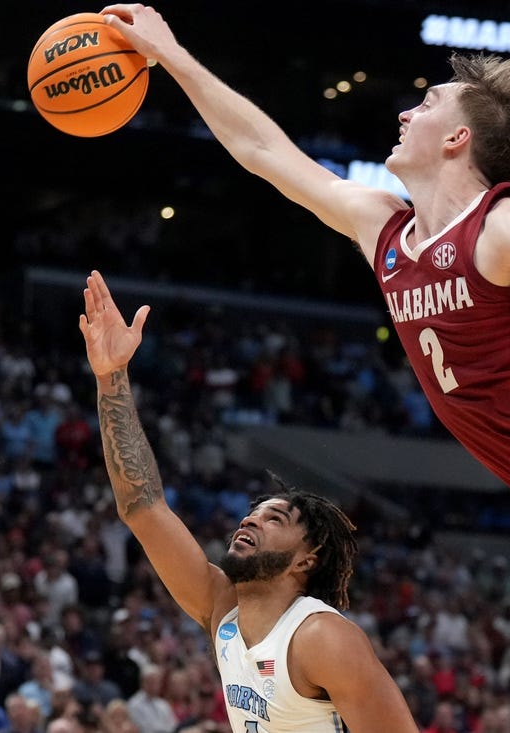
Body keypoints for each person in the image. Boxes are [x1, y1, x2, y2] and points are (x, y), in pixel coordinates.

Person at [100, 6, 510, 731]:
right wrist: (173, 56)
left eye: (430, 102)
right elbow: (262, 150)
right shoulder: (386, 228)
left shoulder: (504, 222)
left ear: (459, 138)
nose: (408, 109)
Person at [77, 270, 418, 733]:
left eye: (274, 518)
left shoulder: (321, 638)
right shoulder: (223, 611)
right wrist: (111, 376)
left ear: (307, 559)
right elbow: (143, 506)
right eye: (253, 512)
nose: (249, 521)